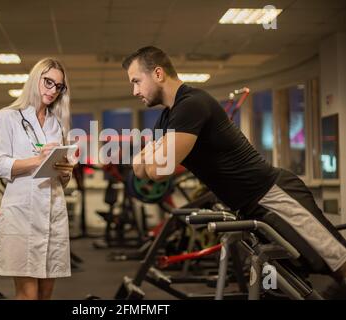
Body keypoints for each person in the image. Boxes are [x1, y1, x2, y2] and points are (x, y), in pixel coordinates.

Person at [123, 46, 346, 297]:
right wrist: (146, 159)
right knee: (282, 285)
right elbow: (141, 171)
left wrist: (147, 156)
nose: (135, 91)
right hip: (250, 207)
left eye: (136, 81)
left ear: (158, 73)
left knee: (338, 263)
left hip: (273, 196)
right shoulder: (167, 117)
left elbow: (157, 171)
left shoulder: (191, 105)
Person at [0, 58, 75, 300]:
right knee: (28, 295)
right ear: (35, 79)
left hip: (53, 210)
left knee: (46, 294)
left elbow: (62, 179)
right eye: (48, 82)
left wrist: (65, 170)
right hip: (22, 213)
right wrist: (38, 160)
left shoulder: (56, 123)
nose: (52, 90)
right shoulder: (8, 117)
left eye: (58, 86)